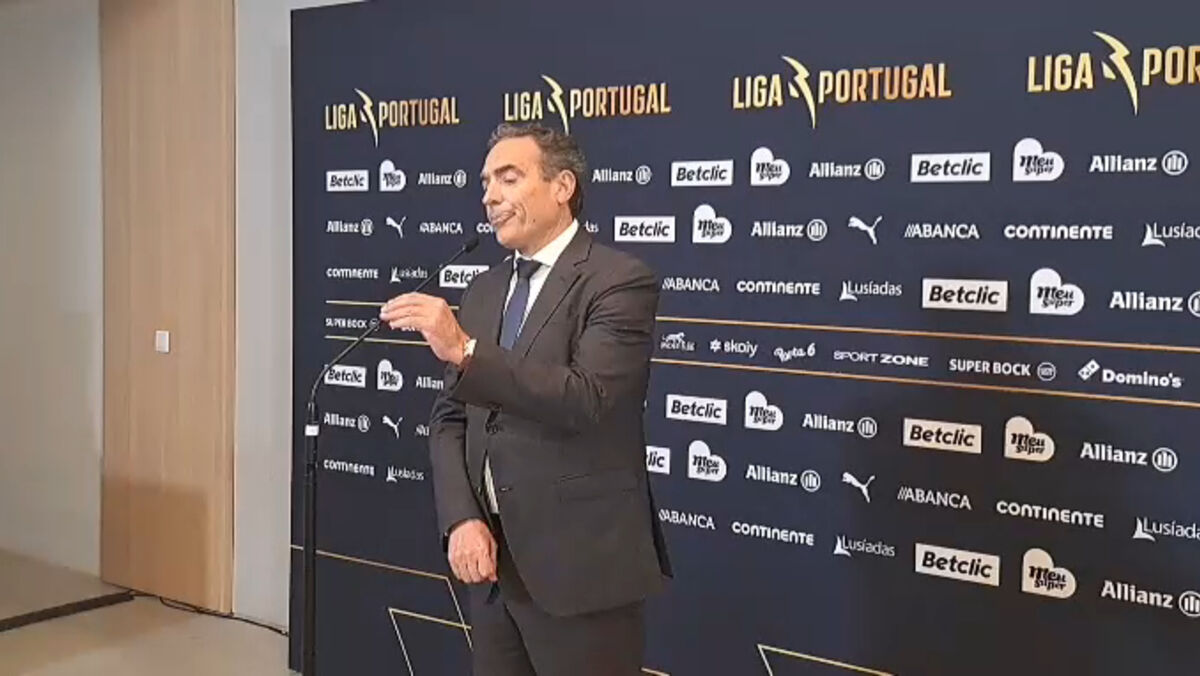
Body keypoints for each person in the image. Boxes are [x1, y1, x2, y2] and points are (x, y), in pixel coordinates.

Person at [379, 122, 671, 675]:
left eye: (508, 178)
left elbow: (587, 398)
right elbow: (451, 418)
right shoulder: (485, 289)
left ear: (562, 187)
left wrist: (466, 350)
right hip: (493, 569)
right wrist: (462, 518)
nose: (489, 196)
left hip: (580, 571)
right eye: (486, 182)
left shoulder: (618, 281)